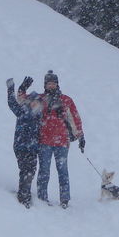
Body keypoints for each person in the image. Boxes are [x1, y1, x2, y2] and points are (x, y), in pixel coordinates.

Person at [20, 70, 84, 209]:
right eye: (48, 83)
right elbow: (23, 101)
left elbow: (75, 119)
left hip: (62, 142)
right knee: (44, 171)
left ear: (57, 84)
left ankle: (65, 200)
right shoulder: (40, 99)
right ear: (45, 85)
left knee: (63, 171)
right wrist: (22, 89)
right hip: (44, 142)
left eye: (53, 83)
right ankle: (42, 198)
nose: (51, 86)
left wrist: (80, 135)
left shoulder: (66, 100)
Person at [6, 76, 42, 208]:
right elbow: (12, 103)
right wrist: (11, 89)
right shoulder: (23, 111)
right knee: (25, 170)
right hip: (21, 146)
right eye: (32, 101)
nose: (34, 104)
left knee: (31, 171)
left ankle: (24, 193)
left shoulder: (40, 117)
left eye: (37, 102)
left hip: (33, 148)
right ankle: (23, 196)